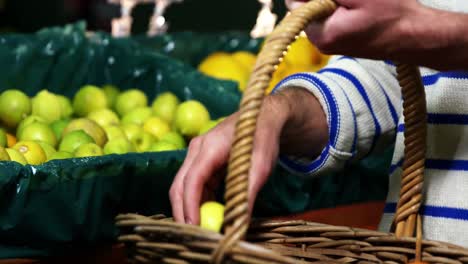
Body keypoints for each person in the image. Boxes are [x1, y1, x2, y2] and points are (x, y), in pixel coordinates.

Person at [170, 0, 468, 246]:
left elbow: (418, 33)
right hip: (414, 248)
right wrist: (276, 113)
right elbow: (387, 77)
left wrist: (428, 30)